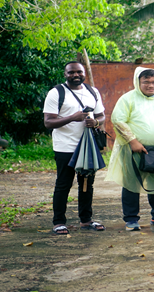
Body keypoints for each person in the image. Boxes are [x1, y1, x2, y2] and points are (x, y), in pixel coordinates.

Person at [105, 68, 154, 231]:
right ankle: (131, 219)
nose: (151, 85)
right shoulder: (128, 99)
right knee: (131, 183)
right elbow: (118, 120)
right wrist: (132, 141)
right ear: (138, 82)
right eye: (146, 82)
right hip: (134, 150)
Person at [43, 61, 106, 235]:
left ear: (84, 73)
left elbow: (101, 115)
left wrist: (96, 122)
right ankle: (59, 222)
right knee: (64, 184)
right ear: (65, 74)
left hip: (88, 146)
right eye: (71, 72)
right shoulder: (56, 93)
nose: (75, 75)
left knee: (87, 184)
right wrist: (73, 117)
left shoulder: (93, 92)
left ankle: (86, 220)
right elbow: (48, 122)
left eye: (79, 72)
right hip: (65, 146)